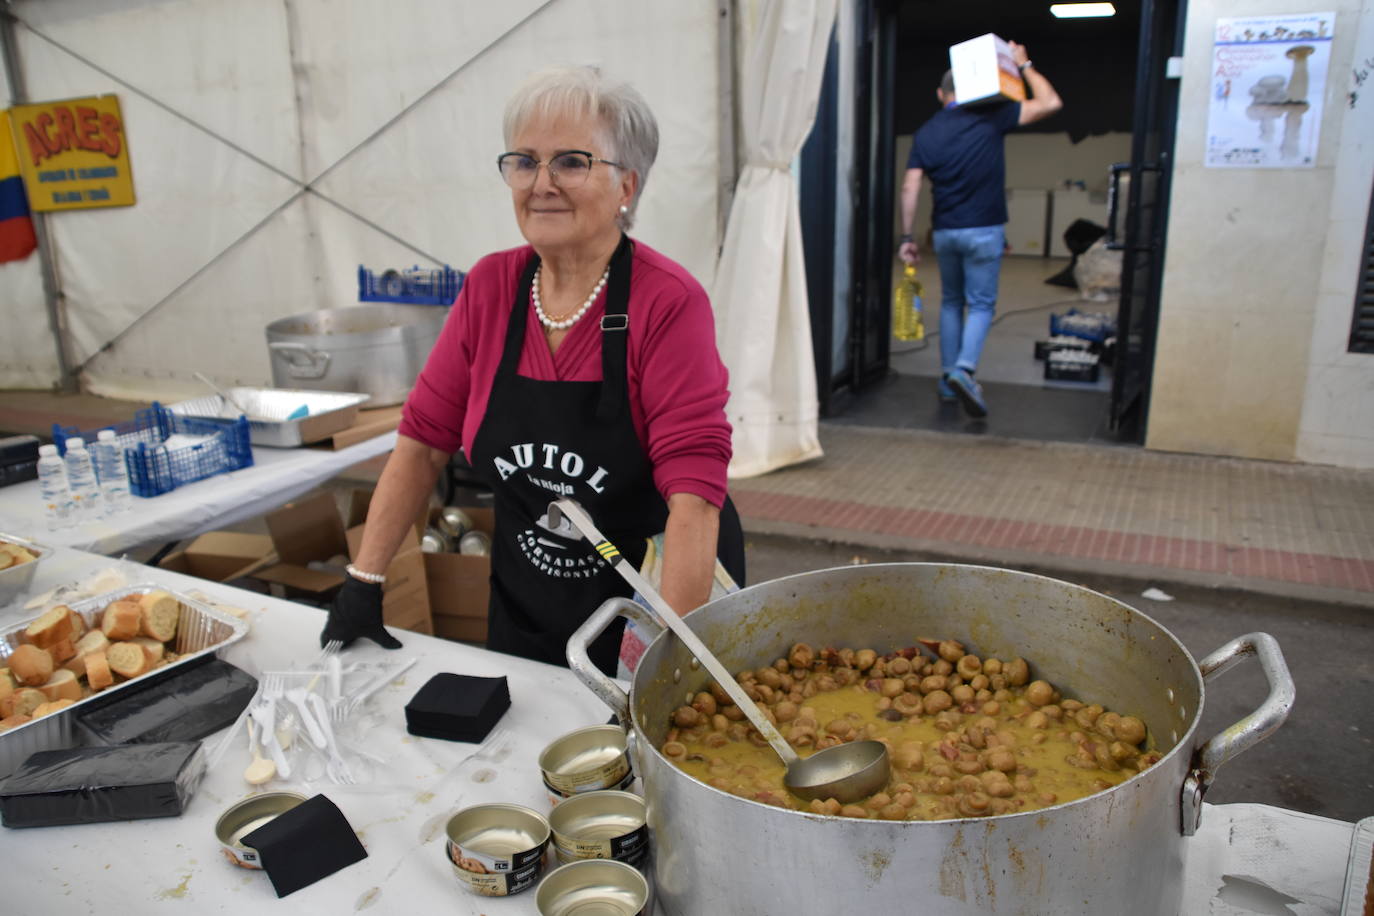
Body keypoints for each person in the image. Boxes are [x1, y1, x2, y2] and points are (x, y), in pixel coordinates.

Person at [321, 66, 745, 675]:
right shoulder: (490, 287)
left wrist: (667, 662)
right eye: (524, 161)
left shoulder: (668, 302)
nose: (541, 183)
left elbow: (695, 501)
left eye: (571, 162)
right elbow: (421, 443)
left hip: (653, 598)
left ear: (627, 183)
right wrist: (365, 578)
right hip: (529, 594)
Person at [898, 42, 1063, 418]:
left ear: (940, 94)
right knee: (983, 303)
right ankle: (965, 370)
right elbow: (1050, 102)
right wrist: (1024, 64)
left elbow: (910, 187)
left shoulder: (925, 133)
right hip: (985, 231)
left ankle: (946, 378)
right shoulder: (991, 116)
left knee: (952, 302)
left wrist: (907, 238)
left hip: (946, 232)